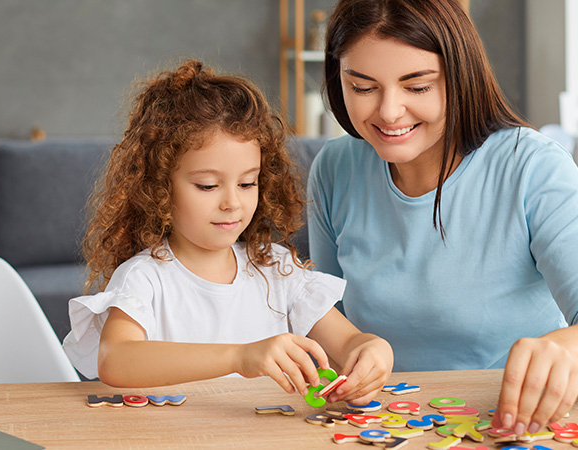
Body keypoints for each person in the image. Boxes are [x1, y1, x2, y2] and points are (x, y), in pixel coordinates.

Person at [308, 0, 578, 435]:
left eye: (418, 87)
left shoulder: (532, 165)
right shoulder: (335, 168)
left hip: (504, 425)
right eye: (363, 87)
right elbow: (325, 316)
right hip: (380, 425)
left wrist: (567, 353)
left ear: (459, 78)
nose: (389, 112)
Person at [62, 60, 393, 405]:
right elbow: (116, 362)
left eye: (248, 182)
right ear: (159, 186)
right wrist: (240, 357)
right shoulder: (144, 278)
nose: (232, 202)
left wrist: (373, 351)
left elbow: (349, 342)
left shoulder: (276, 271)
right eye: (207, 186)